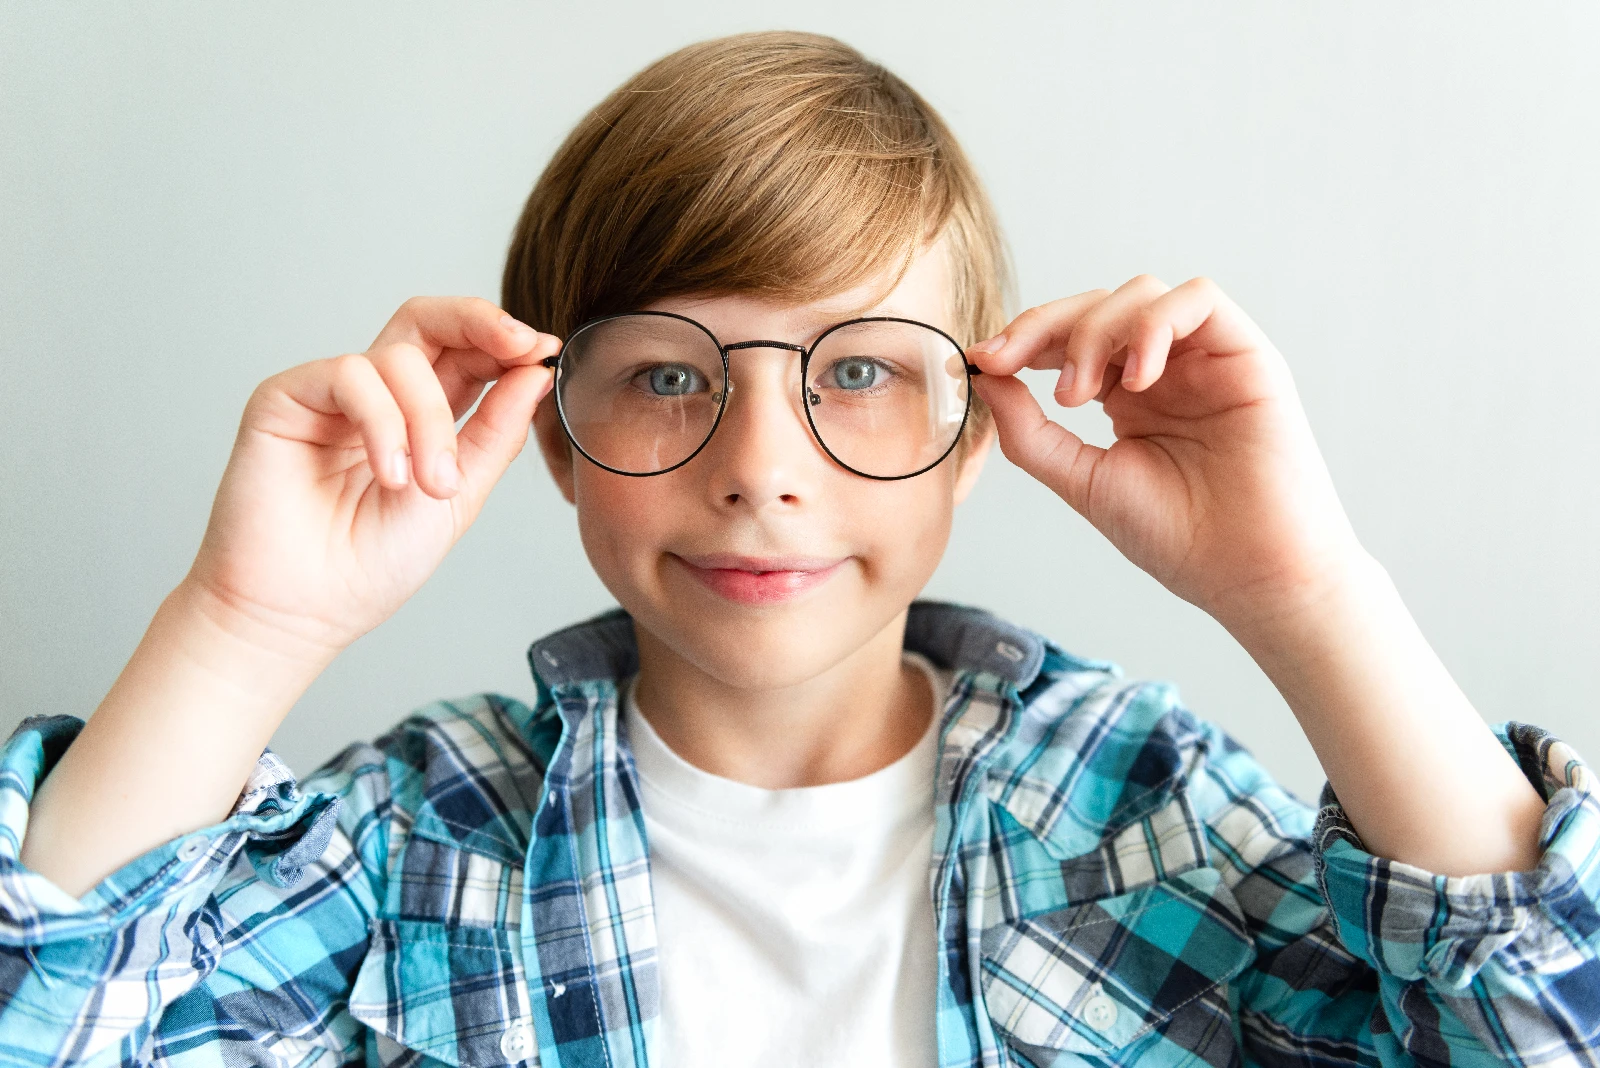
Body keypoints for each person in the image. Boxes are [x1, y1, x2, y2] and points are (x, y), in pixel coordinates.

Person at [1, 29, 1595, 1068]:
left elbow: (1546, 1032)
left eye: (858, 370)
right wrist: (240, 624)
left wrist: (1307, 597)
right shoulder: (417, 847)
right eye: (672, 376)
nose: (762, 473)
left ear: (973, 435)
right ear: (549, 431)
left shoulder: (1141, 814)